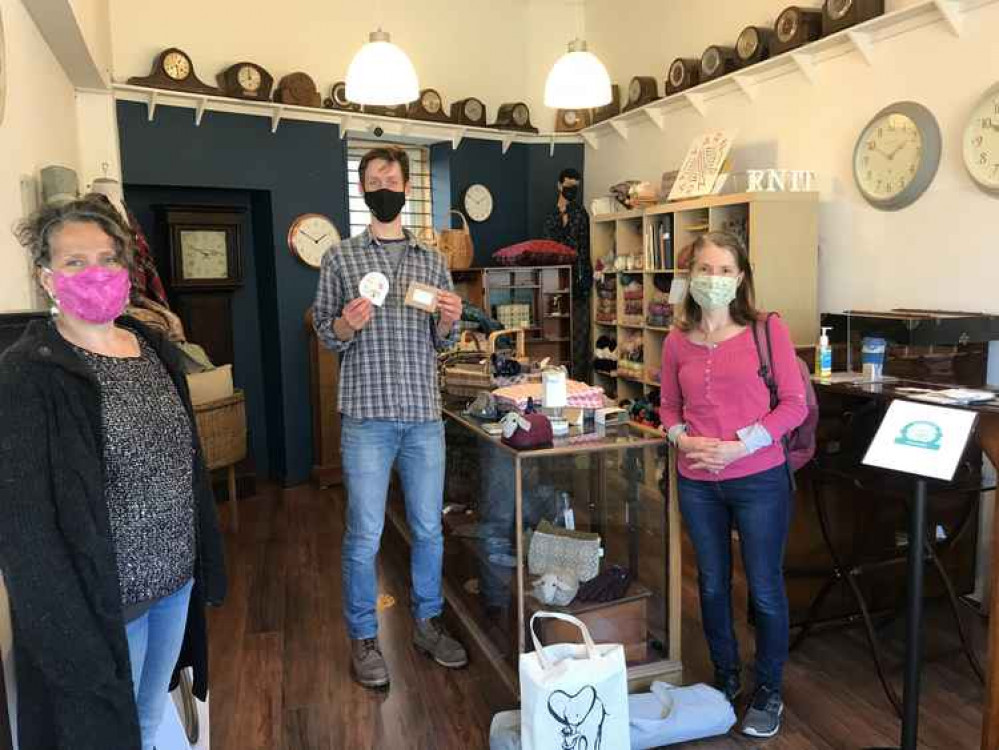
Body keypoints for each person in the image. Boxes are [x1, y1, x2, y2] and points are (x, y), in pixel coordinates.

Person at [0, 196, 227, 750]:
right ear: (48, 278)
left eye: (107, 258)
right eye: (75, 262)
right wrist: (65, 636)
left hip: (175, 579)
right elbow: (26, 527)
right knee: (107, 727)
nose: (95, 272)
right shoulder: (29, 376)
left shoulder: (152, 349)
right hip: (103, 603)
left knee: (148, 714)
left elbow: (186, 467)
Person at [313, 146, 467, 688]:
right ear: (363, 191)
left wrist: (450, 319)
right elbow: (327, 334)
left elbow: (441, 340)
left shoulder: (431, 260)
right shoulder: (340, 259)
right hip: (366, 418)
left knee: (429, 530)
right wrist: (347, 325)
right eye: (374, 178)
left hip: (423, 415)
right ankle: (363, 637)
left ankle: (427, 623)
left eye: (392, 177)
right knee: (365, 534)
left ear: (406, 187)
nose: (384, 185)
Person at [659, 231, 806, 739]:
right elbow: (667, 406)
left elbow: (794, 404)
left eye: (724, 270)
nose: (713, 279)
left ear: (740, 277)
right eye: (704, 268)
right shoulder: (677, 339)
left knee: (764, 588)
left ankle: (768, 688)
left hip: (758, 478)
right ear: (690, 275)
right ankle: (725, 676)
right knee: (712, 584)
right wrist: (681, 438)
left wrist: (741, 444)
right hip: (697, 482)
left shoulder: (768, 330)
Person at [542, 167, 592, 381]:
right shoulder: (550, 216)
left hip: (578, 279)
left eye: (575, 187)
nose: (572, 190)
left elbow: (582, 246)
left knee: (579, 335)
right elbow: (547, 245)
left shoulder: (581, 214)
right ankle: (555, 377)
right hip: (554, 281)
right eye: (568, 186)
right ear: (559, 186)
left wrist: (586, 278)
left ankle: (579, 381)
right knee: (555, 332)